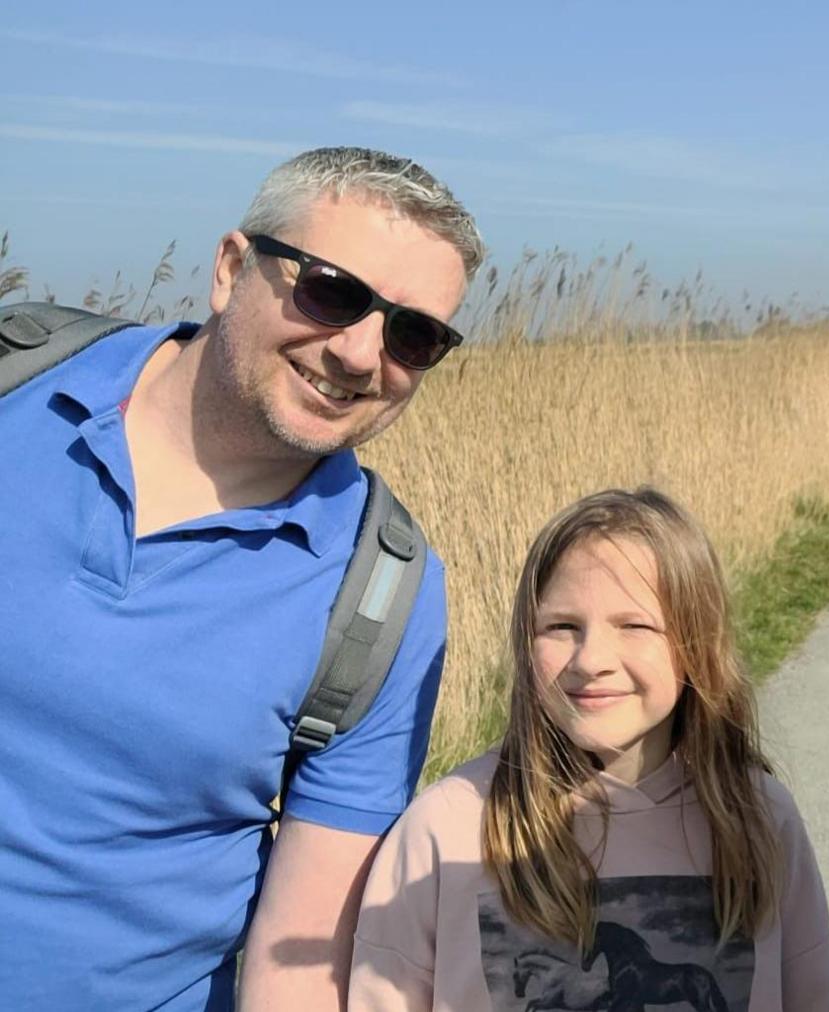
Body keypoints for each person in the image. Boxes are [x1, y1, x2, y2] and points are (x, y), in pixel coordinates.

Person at [0, 146, 482, 1010]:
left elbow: (297, 961)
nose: (363, 355)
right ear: (230, 269)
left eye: (415, 335)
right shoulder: (17, 384)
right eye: (333, 292)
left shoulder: (380, 601)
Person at [349, 488, 829, 1011]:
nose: (592, 659)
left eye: (635, 626)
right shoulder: (442, 830)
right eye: (562, 626)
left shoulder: (760, 818)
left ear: (696, 644)